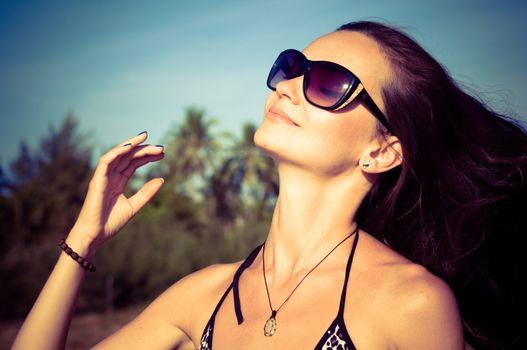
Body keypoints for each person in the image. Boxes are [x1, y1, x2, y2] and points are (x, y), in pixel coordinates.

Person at [12, 21, 526, 350]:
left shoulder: (410, 303)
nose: (287, 86)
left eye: (326, 82)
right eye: (291, 68)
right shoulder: (204, 295)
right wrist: (81, 242)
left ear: (382, 150)